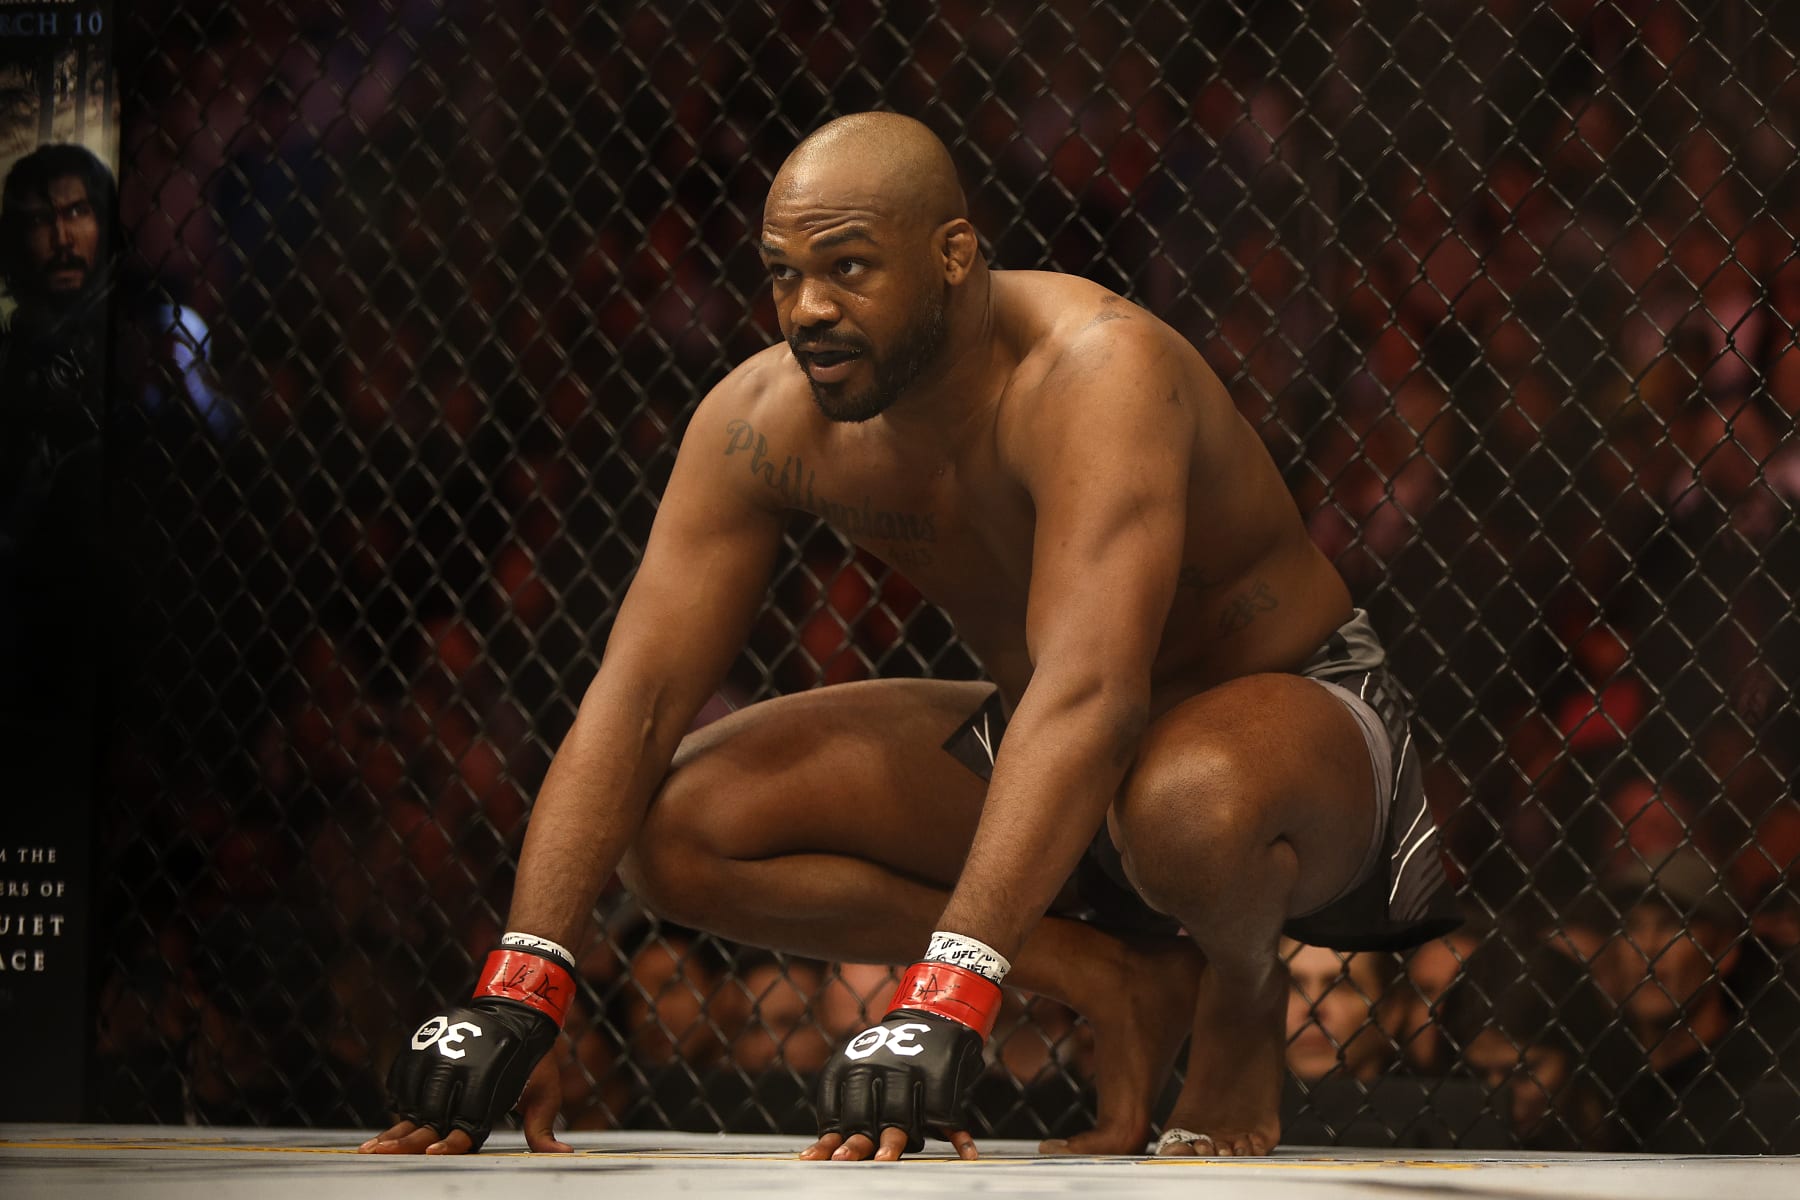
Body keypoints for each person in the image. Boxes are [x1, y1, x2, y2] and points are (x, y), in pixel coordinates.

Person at [362, 111, 1458, 1162]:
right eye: (783, 273)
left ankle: (1240, 992)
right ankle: (1111, 977)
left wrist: (950, 990)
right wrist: (524, 985)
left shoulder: (1095, 370)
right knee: (681, 833)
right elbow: (637, 694)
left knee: (1184, 801)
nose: (807, 309)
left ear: (954, 255)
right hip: (1057, 737)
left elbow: (1097, 695)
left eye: (848, 267)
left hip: (1286, 731)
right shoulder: (760, 421)